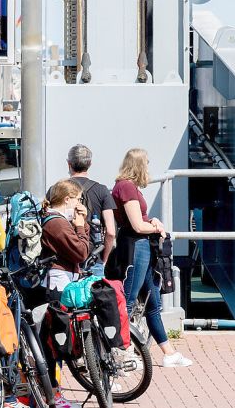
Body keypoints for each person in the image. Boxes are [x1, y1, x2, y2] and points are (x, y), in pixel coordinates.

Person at [109, 148, 193, 368]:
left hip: (140, 246)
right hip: (137, 246)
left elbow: (137, 221)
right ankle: (121, 352)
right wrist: (155, 226)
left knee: (152, 302)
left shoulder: (127, 186)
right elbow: (137, 224)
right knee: (128, 301)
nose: (148, 166)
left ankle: (169, 352)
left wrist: (153, 222)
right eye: (146, 162)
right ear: (139, 165)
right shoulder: (127, 187)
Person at [38, 179, 91, 408]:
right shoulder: (57, 224)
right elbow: (80, 252)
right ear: (67, 199)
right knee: (54, 337)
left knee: (57, 336)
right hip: (58, 282)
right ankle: (53, 392)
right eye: (78, 200)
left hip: (63, 279)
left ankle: (54, 390)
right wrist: (81, 226)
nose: (79, 204)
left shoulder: (60, 221)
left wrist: (82, 224)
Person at [65, 144, 117, 276]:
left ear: (69, 163)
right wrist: (103, 259)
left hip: (65, 261)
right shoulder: (102, 190)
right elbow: (111, 232)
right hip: (93, 258)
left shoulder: (57, 190)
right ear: (90, 164)